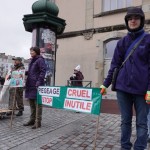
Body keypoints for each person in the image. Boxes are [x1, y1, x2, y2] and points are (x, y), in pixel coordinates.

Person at [100, 7, 150, 150]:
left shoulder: (148, 40)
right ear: (127, 21)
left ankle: (139, 147)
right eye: (129, 18)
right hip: (123, 88)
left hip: (142, 90)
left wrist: (149, 89)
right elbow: (114, 65)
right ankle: (125, 147)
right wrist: (105, 84)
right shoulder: (122, 42)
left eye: (136, 18)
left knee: (141, 122)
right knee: (125, 121)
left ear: (141, 20)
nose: (132, 20)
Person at [23, 46, 46, 129]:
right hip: (30, 84)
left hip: (37, 85)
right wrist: (24, 73)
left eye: (32, 51)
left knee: (38, 104)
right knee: (32, 104)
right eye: (30, 51)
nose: (31, 52)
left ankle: (38, 122)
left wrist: (39, 81)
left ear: (36, 51)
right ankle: (32, 120)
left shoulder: (40, 60)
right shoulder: (31, 60)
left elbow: (43, 71)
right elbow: (31, 72)